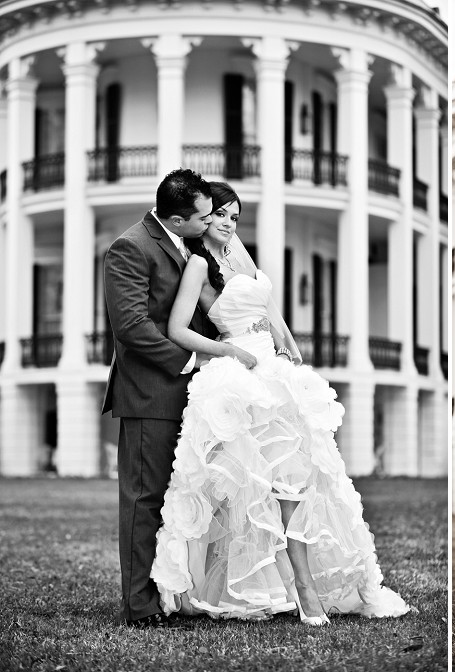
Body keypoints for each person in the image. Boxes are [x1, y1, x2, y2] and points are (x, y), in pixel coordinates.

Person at [150, 182, 411, 624]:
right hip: (240, 376)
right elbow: (178, 329)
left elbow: (268, 305)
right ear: (203, 219)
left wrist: (287, 342)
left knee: (299, 481)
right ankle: (288, 589)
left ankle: (306, 585)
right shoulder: (196, 264)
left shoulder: (240, 253)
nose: (230, 224)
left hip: (276, 373)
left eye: (235, 216)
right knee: (246, 492)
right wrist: (231, 351)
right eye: (221, 216)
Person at [103, 168, 254, 628]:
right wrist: (192, 362)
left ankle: (174, 591)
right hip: (150, 394)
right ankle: (140, 606)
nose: (211, 222)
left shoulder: (186, 242)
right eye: (204, 216)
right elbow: (131, 327)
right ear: (177, 217)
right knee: (145, 500)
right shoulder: (130, 247)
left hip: (195, 395)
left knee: (183, 498)